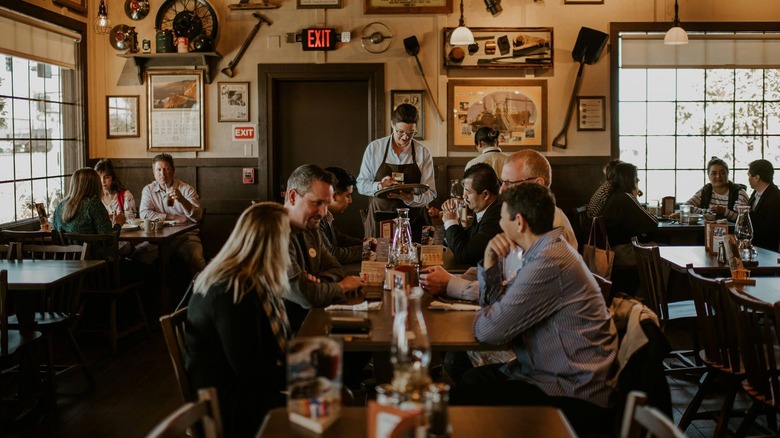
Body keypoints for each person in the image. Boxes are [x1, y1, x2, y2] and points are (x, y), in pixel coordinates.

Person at [451, 183, 617, 427]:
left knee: (455, 402)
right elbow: (501, 305)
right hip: (554, 373)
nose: (499, 225)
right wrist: (490, 264)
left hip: (573, 391)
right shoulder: (545, 252)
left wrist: (490, 311)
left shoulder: (549, 262)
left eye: (502, 218)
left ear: (519, 222)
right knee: (471, 377)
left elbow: (489, 332)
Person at [185, 202, 291, 438]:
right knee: (331, 400)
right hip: (228, 403)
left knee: (332, 390)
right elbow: (250, 371)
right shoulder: (233, 291)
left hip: (241, 388)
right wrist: (304, 377)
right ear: (273, 244)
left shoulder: (250, 278)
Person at [285, 164, 363, 331]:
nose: (322, 213)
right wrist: (342, 286)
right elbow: (307, 296)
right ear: (292, 197)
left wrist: (317, 283)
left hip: (311, 318)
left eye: (326, 204)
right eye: (317, 202)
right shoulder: (275, 233)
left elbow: (335, 267)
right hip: (289, 332)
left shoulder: (310, 228)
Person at [356, 103, 436, 240]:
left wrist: (412, 199)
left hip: (414, 218)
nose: (405, 137)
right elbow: (361, 185)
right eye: (401, 132)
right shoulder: (375, 148)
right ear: (392, 125)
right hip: (380, 217)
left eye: (411, 133)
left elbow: (431, 192)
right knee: (378, 258)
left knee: (414, 258)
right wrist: (380, 186)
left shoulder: (423, 152)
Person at [136, 153, 206, 276]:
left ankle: (203, 292)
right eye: (158, 170)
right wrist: (172, 217)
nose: (162, 174)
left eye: (166, 169)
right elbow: (144, 213)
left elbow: (198, 216)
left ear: (173, 170)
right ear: (154, 172)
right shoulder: (149, 190)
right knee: (138, 256)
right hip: (157, 240)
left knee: (196, 259)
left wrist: (182, 200)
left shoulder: (186, 189)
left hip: (185, 238)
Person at [601, 162, 658, 293]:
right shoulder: (624, 197)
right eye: (635, 178)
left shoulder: (614, 196)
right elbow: (652, 222)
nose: (637, 181)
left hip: (614, 248)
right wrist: (635, 196)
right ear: (629, 179)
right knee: (663, 255)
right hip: (621, 252)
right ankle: (652, 298)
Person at [436, 163, 502, 266]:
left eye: (468, 192)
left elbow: (465, 255)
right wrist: (454, 218)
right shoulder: (484, 207)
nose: (464, 196)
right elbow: (468, 240)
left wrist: (450, 222)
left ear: (485, 194)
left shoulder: (496, 216)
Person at [52, 168, 125, 234]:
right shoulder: (93, 204)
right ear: (95, 185)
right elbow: (109, 238)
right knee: (127, 246)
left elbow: (55, 233)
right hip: (92, 249)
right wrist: (118, 223)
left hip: (64, 249)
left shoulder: (60, 206)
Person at [320, 166, 363, 265]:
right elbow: (332, 254)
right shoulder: (317, 218)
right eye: (348, 195)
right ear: (334, 196)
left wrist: (366, 244)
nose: (350, 200)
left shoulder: (327, 216)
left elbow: (339, 239)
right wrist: (365, 251)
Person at [683, 156, 748, 222]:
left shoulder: (739, 192)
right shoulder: (705, 191)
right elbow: (685, 207)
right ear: (708, 176)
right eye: (714, 173)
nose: (718, 176)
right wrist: (708, 211)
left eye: (722, 173)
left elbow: (744, 219)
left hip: (731, 231)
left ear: (727, 174)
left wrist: (724, 211)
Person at [747, 159, 780, 251]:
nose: (748, 179)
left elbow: (771, 228)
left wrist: (747, 212)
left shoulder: (775, 197)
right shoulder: (755, 193)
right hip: (753, 245)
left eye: (749, 175)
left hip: (766, 249)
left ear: (757, 178)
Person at [94, 158, 137, 222]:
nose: (103, 181)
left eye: (106, 177)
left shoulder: (126, 195)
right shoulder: (94, 197)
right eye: (99, 177)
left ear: (112, 177)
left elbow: (131, 221)